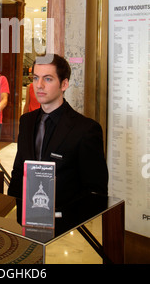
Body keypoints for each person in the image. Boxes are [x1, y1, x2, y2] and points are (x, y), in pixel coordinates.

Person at [8, 54, 108, 208]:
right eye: (35, 78)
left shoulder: (86, 130)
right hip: (26, 217)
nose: (39, 85)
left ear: (64, 84)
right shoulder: (26, 121)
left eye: (48, 79)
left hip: (65, 225)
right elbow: (19, 171)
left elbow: (95, 191)